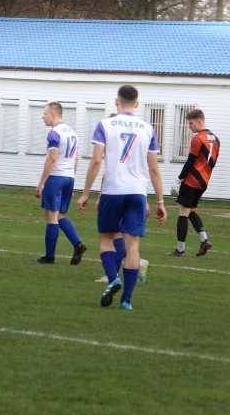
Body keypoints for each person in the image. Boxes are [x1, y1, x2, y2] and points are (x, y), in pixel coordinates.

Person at [77, 85, 167, 310]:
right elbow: (154, 168)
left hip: (113, 190)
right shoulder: (148, 129)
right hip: (137, 191)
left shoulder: (105, 125)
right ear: (137, 104)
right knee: (133, 244)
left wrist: (86, 193)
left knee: (106, 237)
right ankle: (126, 300)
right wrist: (161, 201)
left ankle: (112, 278)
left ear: (116, 102)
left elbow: (97, 161)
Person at [34, 102, 86, 265]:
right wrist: (72, 179)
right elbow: (76, 158)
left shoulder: (54, 133)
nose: (43, 116)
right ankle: (77, 244)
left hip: (56, 177)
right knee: (59, 215)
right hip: (69, 176)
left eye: (45, 113)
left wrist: (42, 183)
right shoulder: (72, 132)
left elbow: (52, 158)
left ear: (53, 114)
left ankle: (49, 257)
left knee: (51, 217)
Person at [169, 108, 219, 257]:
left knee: (183, 212)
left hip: (192, 180)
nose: (189, 127)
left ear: (199, 121)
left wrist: (178, 181)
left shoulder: (198, 138)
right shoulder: (216, 139)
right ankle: (204, 240)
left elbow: (190, 162)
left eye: (191, 124)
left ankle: (180, 249)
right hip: (204, 181)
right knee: (190, 210)